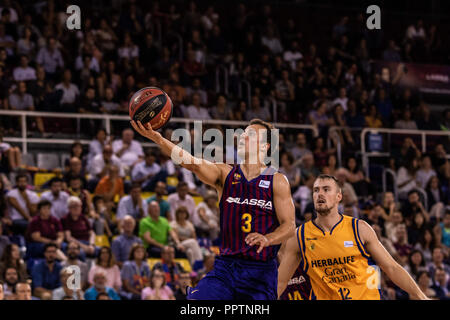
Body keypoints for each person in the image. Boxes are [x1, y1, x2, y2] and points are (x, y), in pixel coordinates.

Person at [132, 118, 295, 300]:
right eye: (243, 133)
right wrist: (158, 139)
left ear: (265, 147)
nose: (243, 137)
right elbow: (192, 163)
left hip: (260, 271)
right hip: (226, 267)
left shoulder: (277, 180)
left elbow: (289, 225)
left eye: (251, 135)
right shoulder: (225, 174)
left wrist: (268, 238)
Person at [278, 174, 429, 300]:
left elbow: (392, 268)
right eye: (316, 190)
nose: (320, 194)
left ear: (339, 196)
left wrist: (421, 296)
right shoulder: (300, 236)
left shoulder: (360, 228)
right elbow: (280, 282)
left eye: (326, 189)